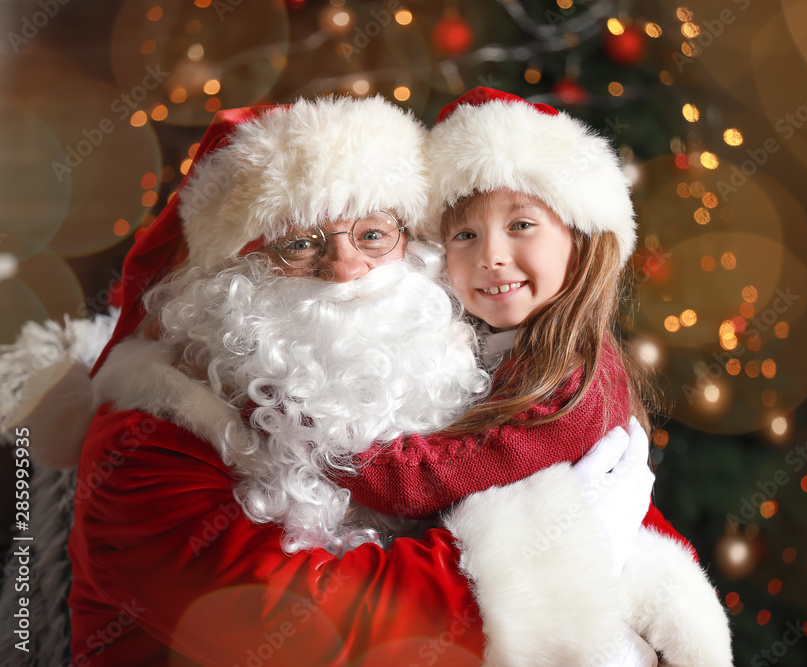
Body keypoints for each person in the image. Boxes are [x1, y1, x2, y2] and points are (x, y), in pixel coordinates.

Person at [66, 95, 663, 667]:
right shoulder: (142, 443)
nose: (347, 269)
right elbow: (312, 632)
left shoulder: (442, 364)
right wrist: (554, 552)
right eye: (299, 244)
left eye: (374, 235)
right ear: (228, 273)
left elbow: (589, 493)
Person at [332, 88, 733, 667]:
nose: (491, 255)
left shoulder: (574, 378)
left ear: (582, 240)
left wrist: (338, 458)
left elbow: (446, 474)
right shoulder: (474, 351)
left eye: (521, 224)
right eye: (464, 235)